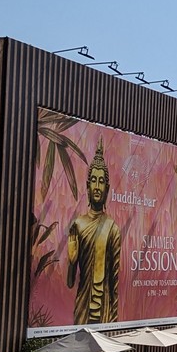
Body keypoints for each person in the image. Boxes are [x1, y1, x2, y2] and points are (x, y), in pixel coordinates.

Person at [65, 139, 122, 325]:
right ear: (88, 186)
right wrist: (72, 263)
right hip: (83, 302)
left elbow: (114, 282)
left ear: (107, 188)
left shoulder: (112, 228)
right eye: (94, 181)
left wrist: (113, 317)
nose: (97, 187)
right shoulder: (78, 225)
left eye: (102, 182)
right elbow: (70, 283)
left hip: (104, 307)